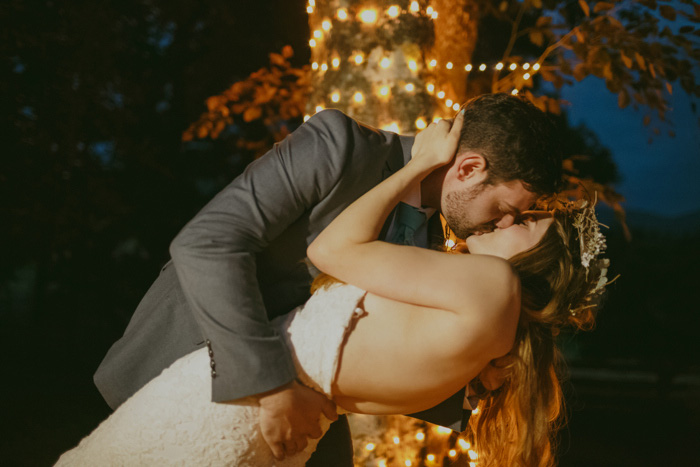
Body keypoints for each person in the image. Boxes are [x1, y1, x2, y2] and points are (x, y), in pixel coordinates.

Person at [56, 111, 610, 466]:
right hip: (191, 375)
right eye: (505, 210)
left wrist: (492, 371)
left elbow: (370, 348)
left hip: (298, 433)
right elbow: (208, 244)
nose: (499, 226)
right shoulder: (340, 147)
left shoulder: (453, 254)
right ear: (467, 168)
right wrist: (271, 386)